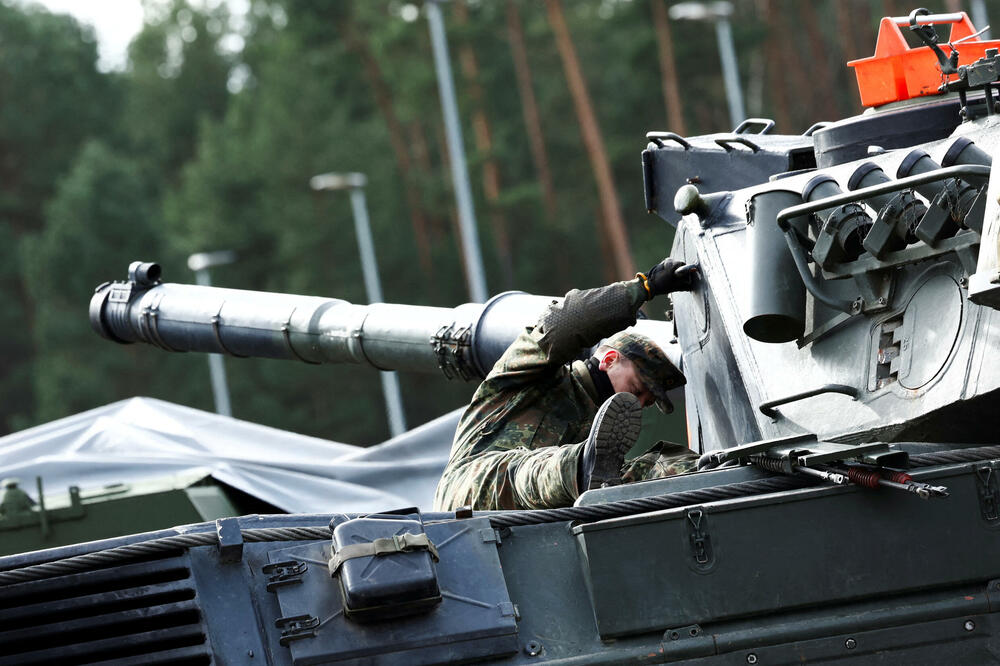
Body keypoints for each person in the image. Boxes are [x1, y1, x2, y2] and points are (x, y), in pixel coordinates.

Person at [433, 258, 700, 511]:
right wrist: (644, 288)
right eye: (638, 389)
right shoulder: (533, 374)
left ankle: (707, 471)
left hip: (532, 525)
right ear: (609, 359)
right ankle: (579, 469)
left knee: (643, 470)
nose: (638, 403)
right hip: (469, 493)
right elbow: (565, 323)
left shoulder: (603, 433)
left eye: (647, 402)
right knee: (524, 471)